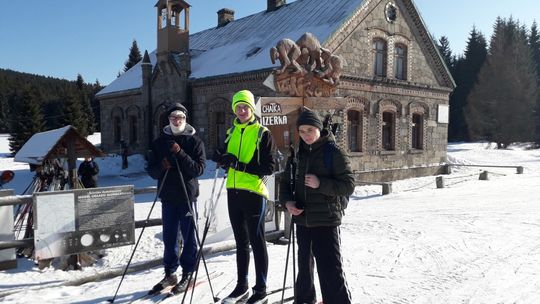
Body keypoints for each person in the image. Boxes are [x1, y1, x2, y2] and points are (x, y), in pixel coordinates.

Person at [279, 107, 354, 304]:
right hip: (303, 220)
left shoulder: (333, 152)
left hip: (326, 219)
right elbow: (285, 183)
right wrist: (288, 203)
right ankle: (304, 300)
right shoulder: (296, 154)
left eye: (310, 130)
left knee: (330, 269)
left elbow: (348, 185)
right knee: (303, 266)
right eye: (302, 131)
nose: (306, 135)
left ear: (318, 128)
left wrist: (321, 184)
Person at [213, 90, 276, 304]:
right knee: (240, 241)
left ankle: (261, 288)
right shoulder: (231, 132)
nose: (241, 111)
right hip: (233, 191)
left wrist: (238, 164)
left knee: (257, 241)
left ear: (251, 109)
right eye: (238, 107)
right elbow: (227, 158)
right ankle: (242, 286)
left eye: (245, 107)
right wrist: (221, 158)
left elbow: (268, 167)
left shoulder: (262, 133)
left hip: (254, 193)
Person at [147, 102, 206, 295]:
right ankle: (170, 272)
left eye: (180, 118)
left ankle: (188, 272)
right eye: (173, 118)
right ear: (169, 120)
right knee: (169, 236)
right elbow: (152, 171)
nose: (177, 121)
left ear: (185, 119)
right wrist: (162, 166)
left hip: (187, 196)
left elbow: (198, 169)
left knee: (189, 237)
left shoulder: (194, 142)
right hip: (168, 196)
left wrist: (180, 153)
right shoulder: (159, 142)